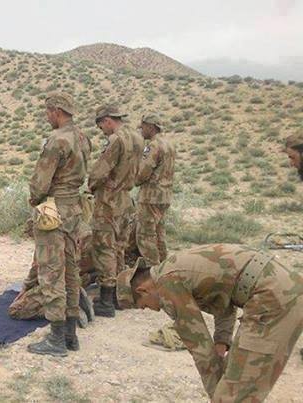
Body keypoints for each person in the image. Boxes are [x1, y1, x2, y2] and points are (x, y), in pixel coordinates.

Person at [116, 244, 303, 402]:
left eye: (144, 306)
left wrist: (218, 395)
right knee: (236, 381)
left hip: (273, 298)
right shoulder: (174, 268)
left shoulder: (167, 285)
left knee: (233, 394)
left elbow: (200, 349)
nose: (153, 310)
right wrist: (221, 343)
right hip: (283, 285)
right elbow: (224, 303)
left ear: (143, 290)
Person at [24, 92, 88, 356]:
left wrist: (34, 201)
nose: (46, 116)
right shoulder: (83, 138)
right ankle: (71, 335)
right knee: (72, 271)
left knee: (51, 271)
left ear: (57, 112)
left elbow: (40, 183)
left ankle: (56, 339)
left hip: (53, 208)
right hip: (75, 208)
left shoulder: (56, 140)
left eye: (48, 112)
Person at [89, 105, 144, 318]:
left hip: (109, 201)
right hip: (126, 200)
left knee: (105, 248)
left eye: (101, 125)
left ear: (108, 120)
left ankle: (106, 301)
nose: (102, 129)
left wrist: (92, 185)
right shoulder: (138, 138)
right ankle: (120, 296)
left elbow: (100, 171)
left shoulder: (116, 140)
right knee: (120, 247)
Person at [135, 114, 175, 271]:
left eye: (143, 126)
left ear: (151, 127)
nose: (141, 129)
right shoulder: (169, 144)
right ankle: (166, 269)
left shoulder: (153, 146)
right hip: (164, 196)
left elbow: (142, 174)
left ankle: (153, 272)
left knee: (145, 235)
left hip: (150, 197)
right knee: (159, 235)